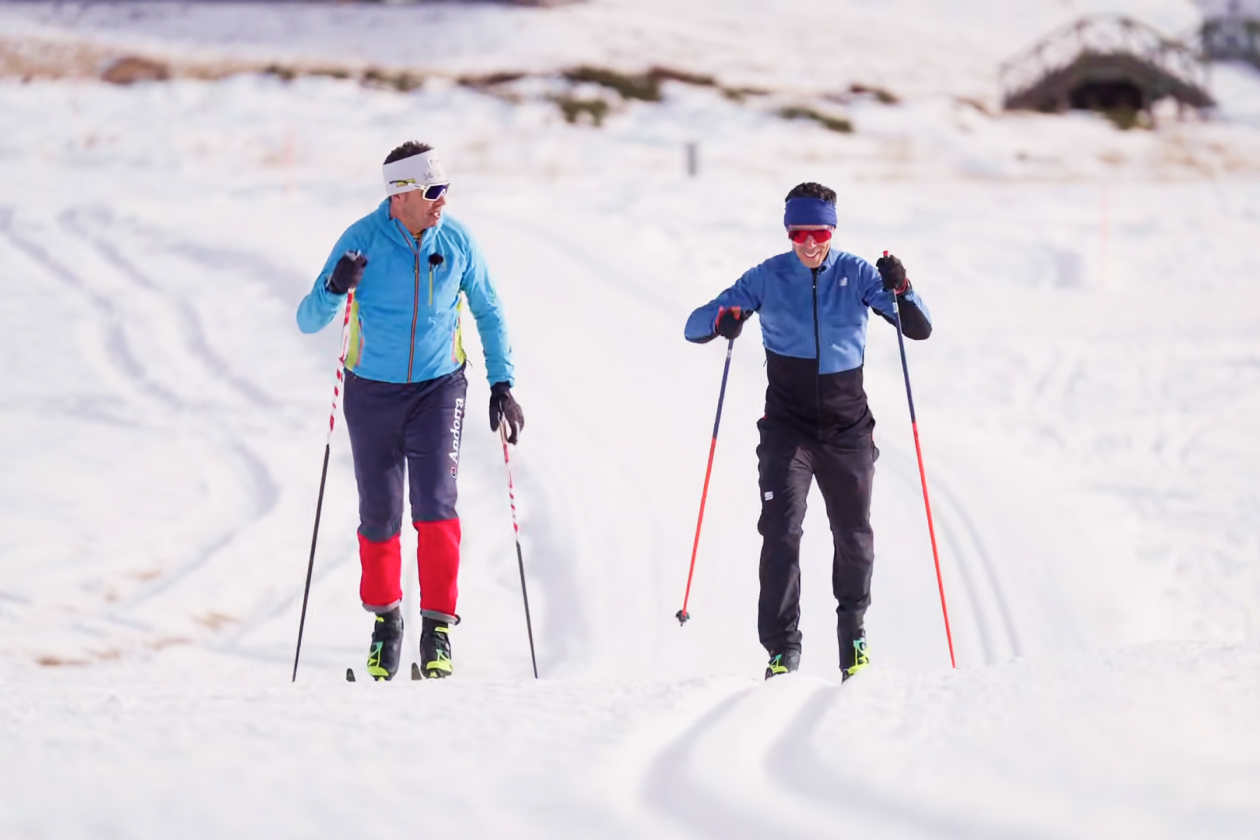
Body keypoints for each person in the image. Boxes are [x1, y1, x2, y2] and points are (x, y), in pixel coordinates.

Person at [684, 182, 931, 681]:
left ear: (832, 230)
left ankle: (853, 636)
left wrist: (902, 287)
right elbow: (694, 325)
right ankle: (782, 650)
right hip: (787, 430)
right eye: (798, 233)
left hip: (848, 431)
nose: (809, 243)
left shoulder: (858, 273)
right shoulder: (767, 276)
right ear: (788, 232)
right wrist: (724, 320)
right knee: (780, 532)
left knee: (854, 536)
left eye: (818, 232)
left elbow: (918, 327)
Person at [297, 141, 524, 681]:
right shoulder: (361, 241)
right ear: (400, 196)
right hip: (370, 392)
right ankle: (386, 626)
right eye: (432, 191)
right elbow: (309, 318)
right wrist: (335, 288)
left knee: (436, 506)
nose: (442, 201)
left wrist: (502, 383)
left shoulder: (458, 240)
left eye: (445, 189)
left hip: (438, 390)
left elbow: (489, 311)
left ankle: (437, 629)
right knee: (379, 515)